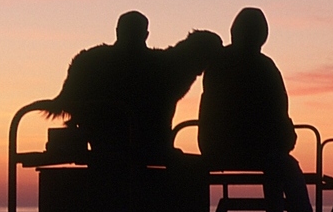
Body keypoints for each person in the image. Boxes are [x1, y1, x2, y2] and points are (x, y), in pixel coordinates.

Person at [198, 7, 323, 212]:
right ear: (262, 36)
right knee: (283, 163)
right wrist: (286, 138)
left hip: (214, 146)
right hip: (254, 148)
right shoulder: (265, 67)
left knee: (276, 158)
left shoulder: (217, 65)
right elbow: (278, 112)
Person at [47, 10, 221, 163]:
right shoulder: (163, 66)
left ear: (117, 31)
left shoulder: (88, 60)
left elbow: (64, 104)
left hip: (101, 143)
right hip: (147, 147)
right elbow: (163, 110)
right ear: (146, 34)